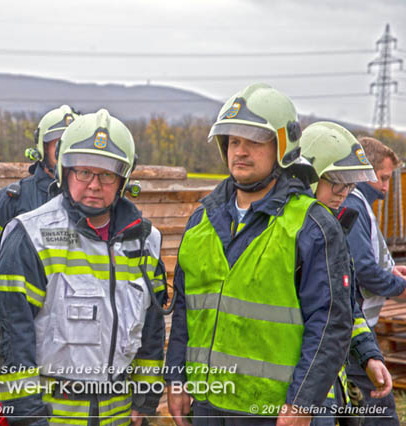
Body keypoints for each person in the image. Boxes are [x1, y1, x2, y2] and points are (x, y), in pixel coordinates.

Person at [165, 83, 353, 426]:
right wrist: (176, 379)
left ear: (283, 146)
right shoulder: (201, 220)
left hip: (271, 410)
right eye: (234, 141)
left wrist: (302, 403)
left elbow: (329, 324)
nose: (240, 151)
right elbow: (184, 309)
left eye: (254, 141)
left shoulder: (311, 226)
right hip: (207, 404)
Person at [0, 109, 167, 425]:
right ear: (64, 172)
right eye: (84, 172)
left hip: (119, 415)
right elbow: (11, 339)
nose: (94, 185)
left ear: (123, 180)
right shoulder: (31, 236)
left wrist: (146, 400)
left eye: (107, 174)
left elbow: (151, 328)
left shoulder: (145, 241)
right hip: (51, 416)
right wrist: (27, 418)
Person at [300, 121, 392, 425]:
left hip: (328, 387)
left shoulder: (334, 232)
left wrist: (369, 355)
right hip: (295, 394)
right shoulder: (287, 235)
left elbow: (345, 306)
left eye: (350, 184)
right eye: (336, 181)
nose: (343, 193)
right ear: (309, 176)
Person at [341, 136, 405, 425]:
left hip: (354, 333)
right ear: (364, 171)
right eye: (382, 178)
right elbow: (363, 269)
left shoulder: (360, 205)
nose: (386, 187)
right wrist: (400, 287)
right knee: (381, 416)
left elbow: (369, 259)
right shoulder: (354, 206)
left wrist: (391, 270)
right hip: (352, 335)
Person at [0, 105, 79, 270]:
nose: (65, 153)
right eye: (59, 145)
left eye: (73, 146)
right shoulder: (9, 201)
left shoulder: (93, 203)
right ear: (43, 148)